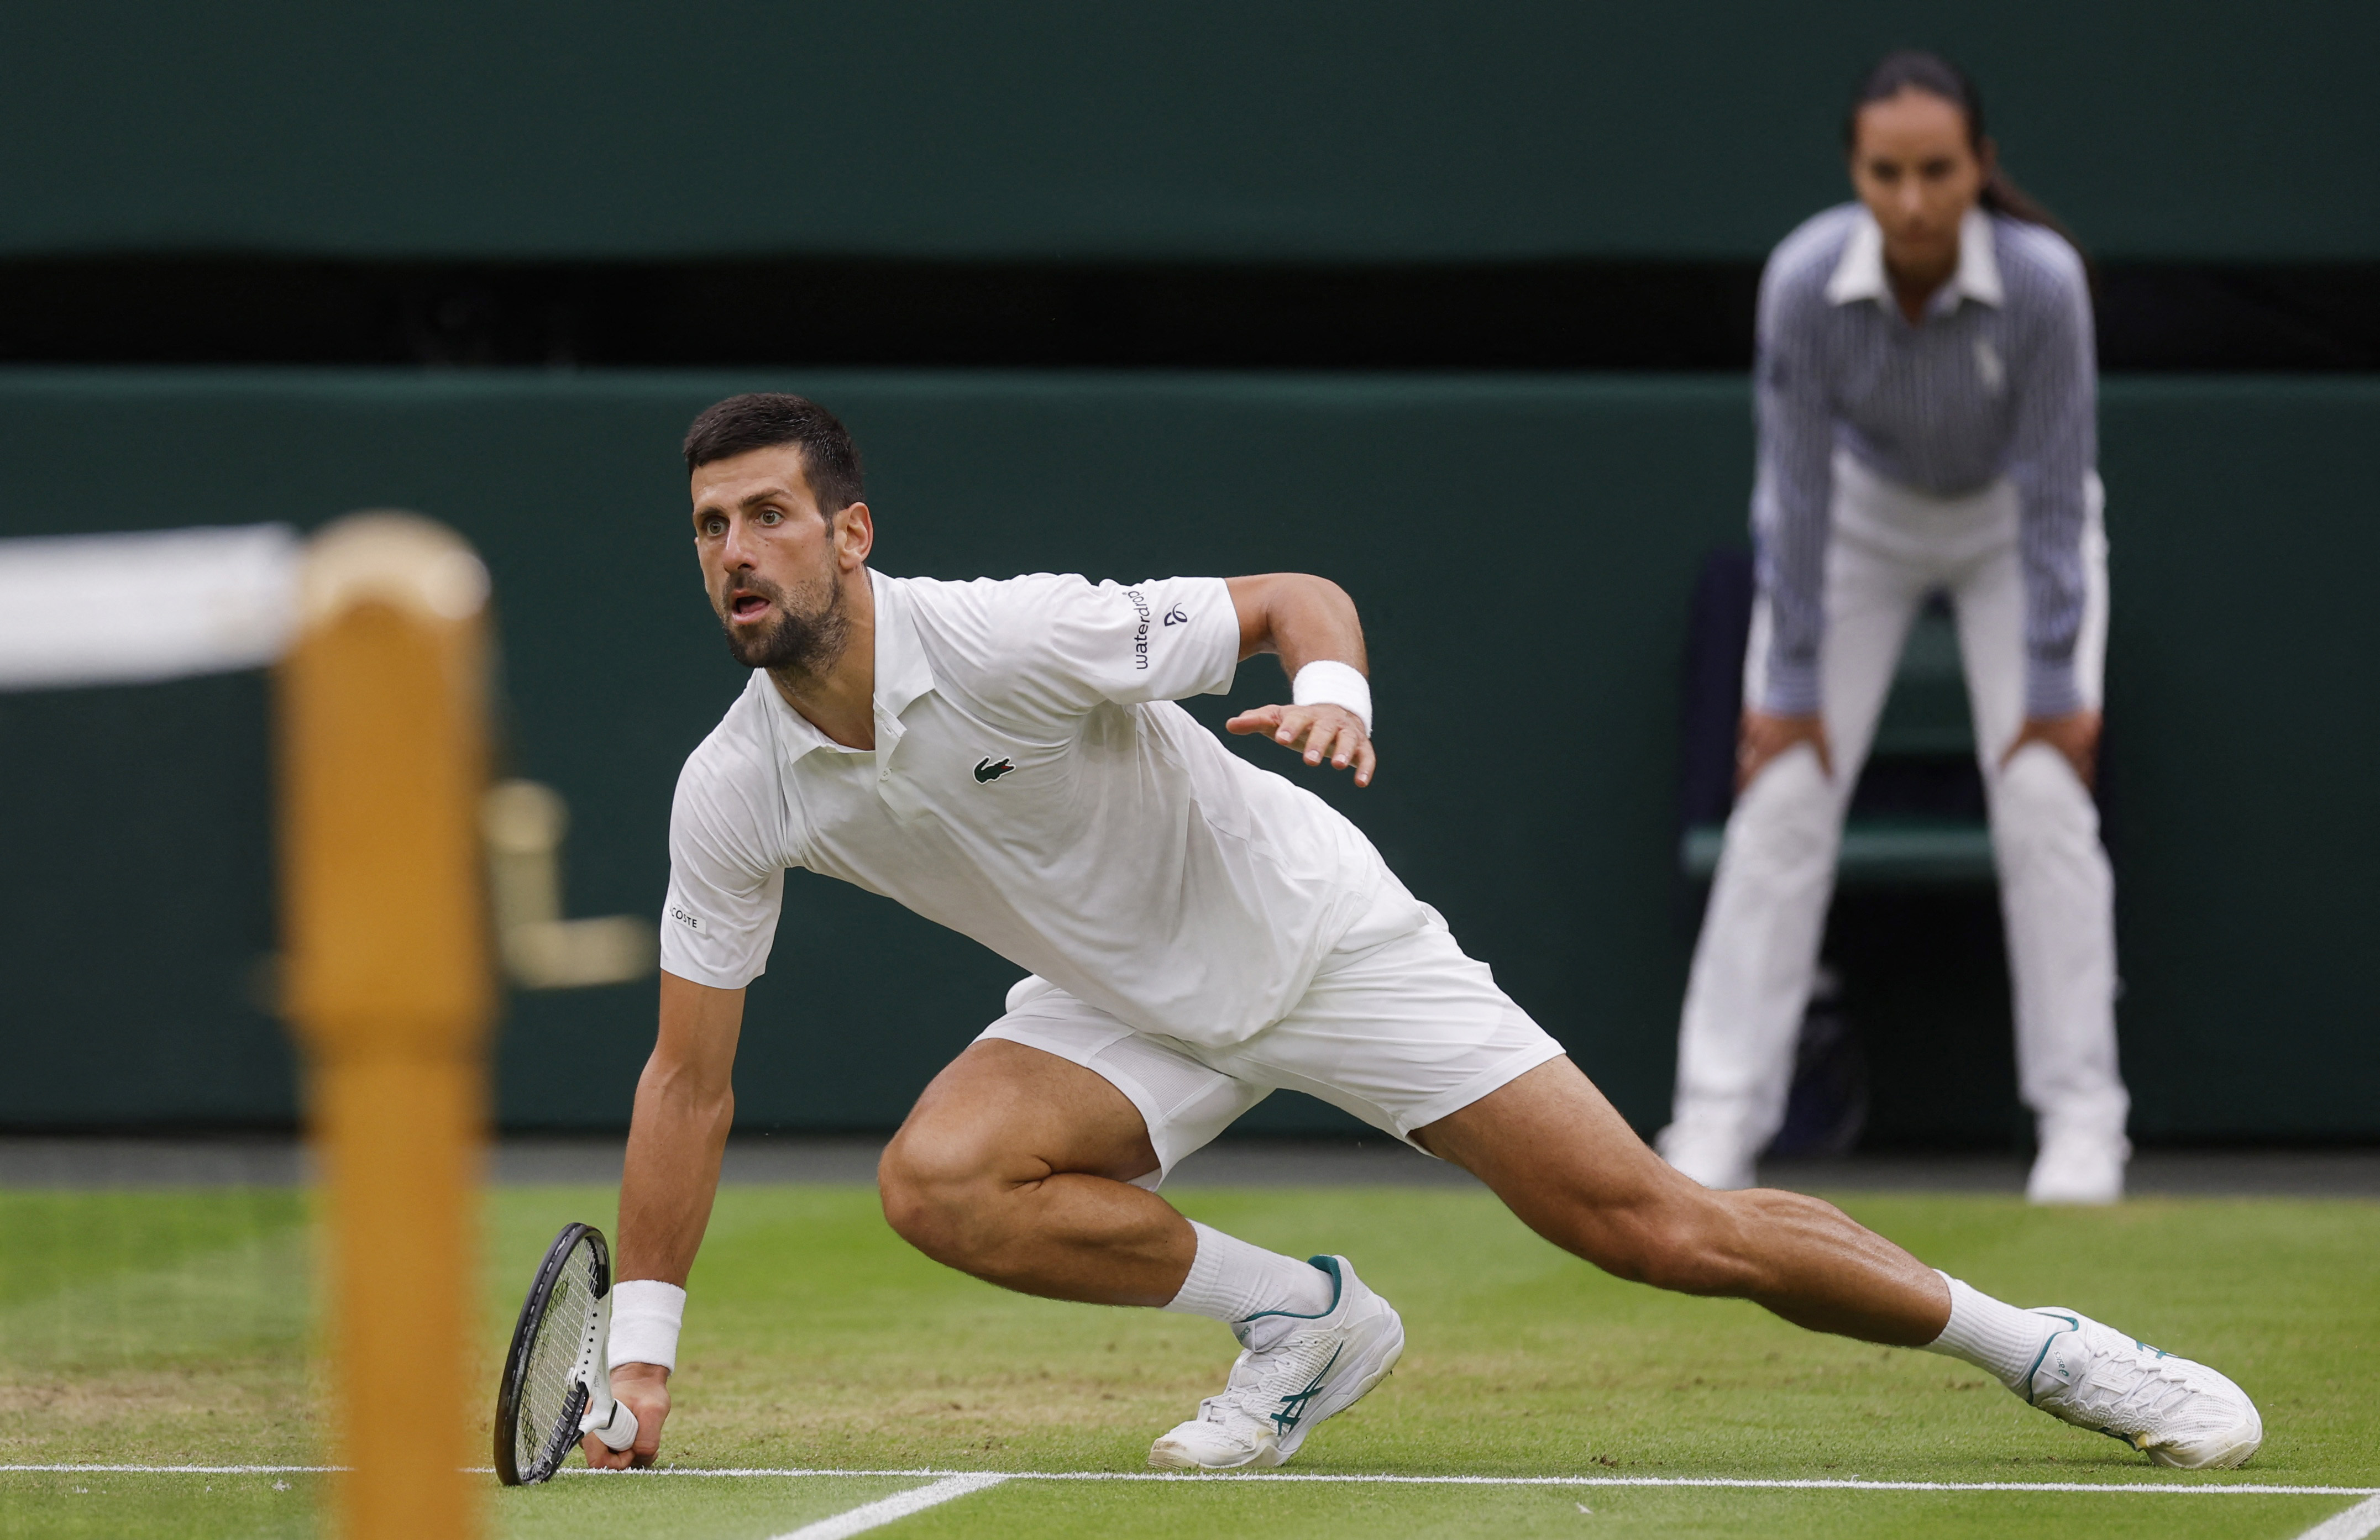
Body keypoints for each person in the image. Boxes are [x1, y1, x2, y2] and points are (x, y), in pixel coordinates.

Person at [583, 391, 2258, 1474]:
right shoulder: (738, 789)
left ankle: (2051, 1351)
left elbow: (1290, 599)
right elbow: (687, 1082)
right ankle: (1304, 1316)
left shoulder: (1015, 638)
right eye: (713, 529)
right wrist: (642, 1358)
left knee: (1654, 1228)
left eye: (769, 516)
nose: (738, 552)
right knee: (938, 1181)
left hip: (1316, 941)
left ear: (849, 531)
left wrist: (1329, 691)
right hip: (1117, 1002)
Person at [1659, 52, 2131, 1205]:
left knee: (2041, 798)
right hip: (1856, 528)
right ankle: (1712, 1123)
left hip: (2014, 525)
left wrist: (2052, 683)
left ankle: (2081, 1128)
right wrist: (1790, 682)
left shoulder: (2042, 284)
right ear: (1853, 173)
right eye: (1885, 172)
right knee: (1778, 797)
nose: (1911, 201)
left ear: (1977, 167)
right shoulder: (1803, 281)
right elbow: (1795, 492)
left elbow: (2060, 489)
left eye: (1935, 170)